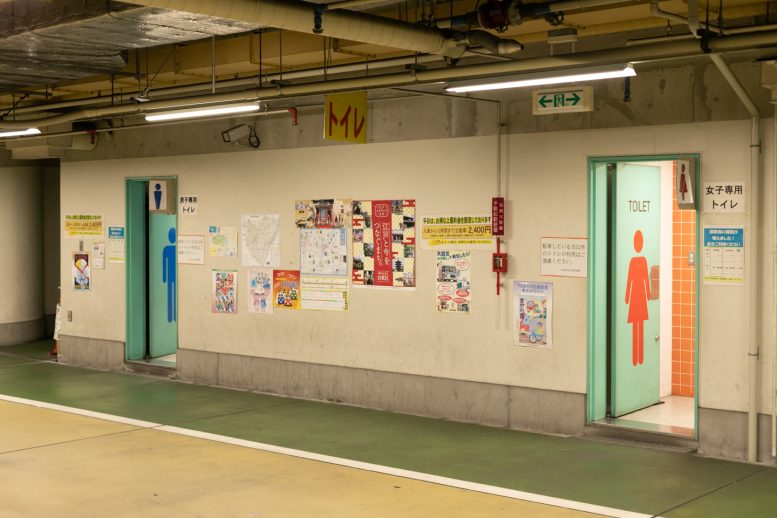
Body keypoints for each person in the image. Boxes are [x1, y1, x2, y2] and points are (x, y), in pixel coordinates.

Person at [625, 230, 651, 366]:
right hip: (639, 295)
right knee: (638, 325)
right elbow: (632, 280)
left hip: (637, 295)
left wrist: (627, 298)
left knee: (638, 326)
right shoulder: (640, 261)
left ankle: (638, 358)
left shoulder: (636, 261)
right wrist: (648, 295)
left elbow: (640, 279)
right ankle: (637, 357)